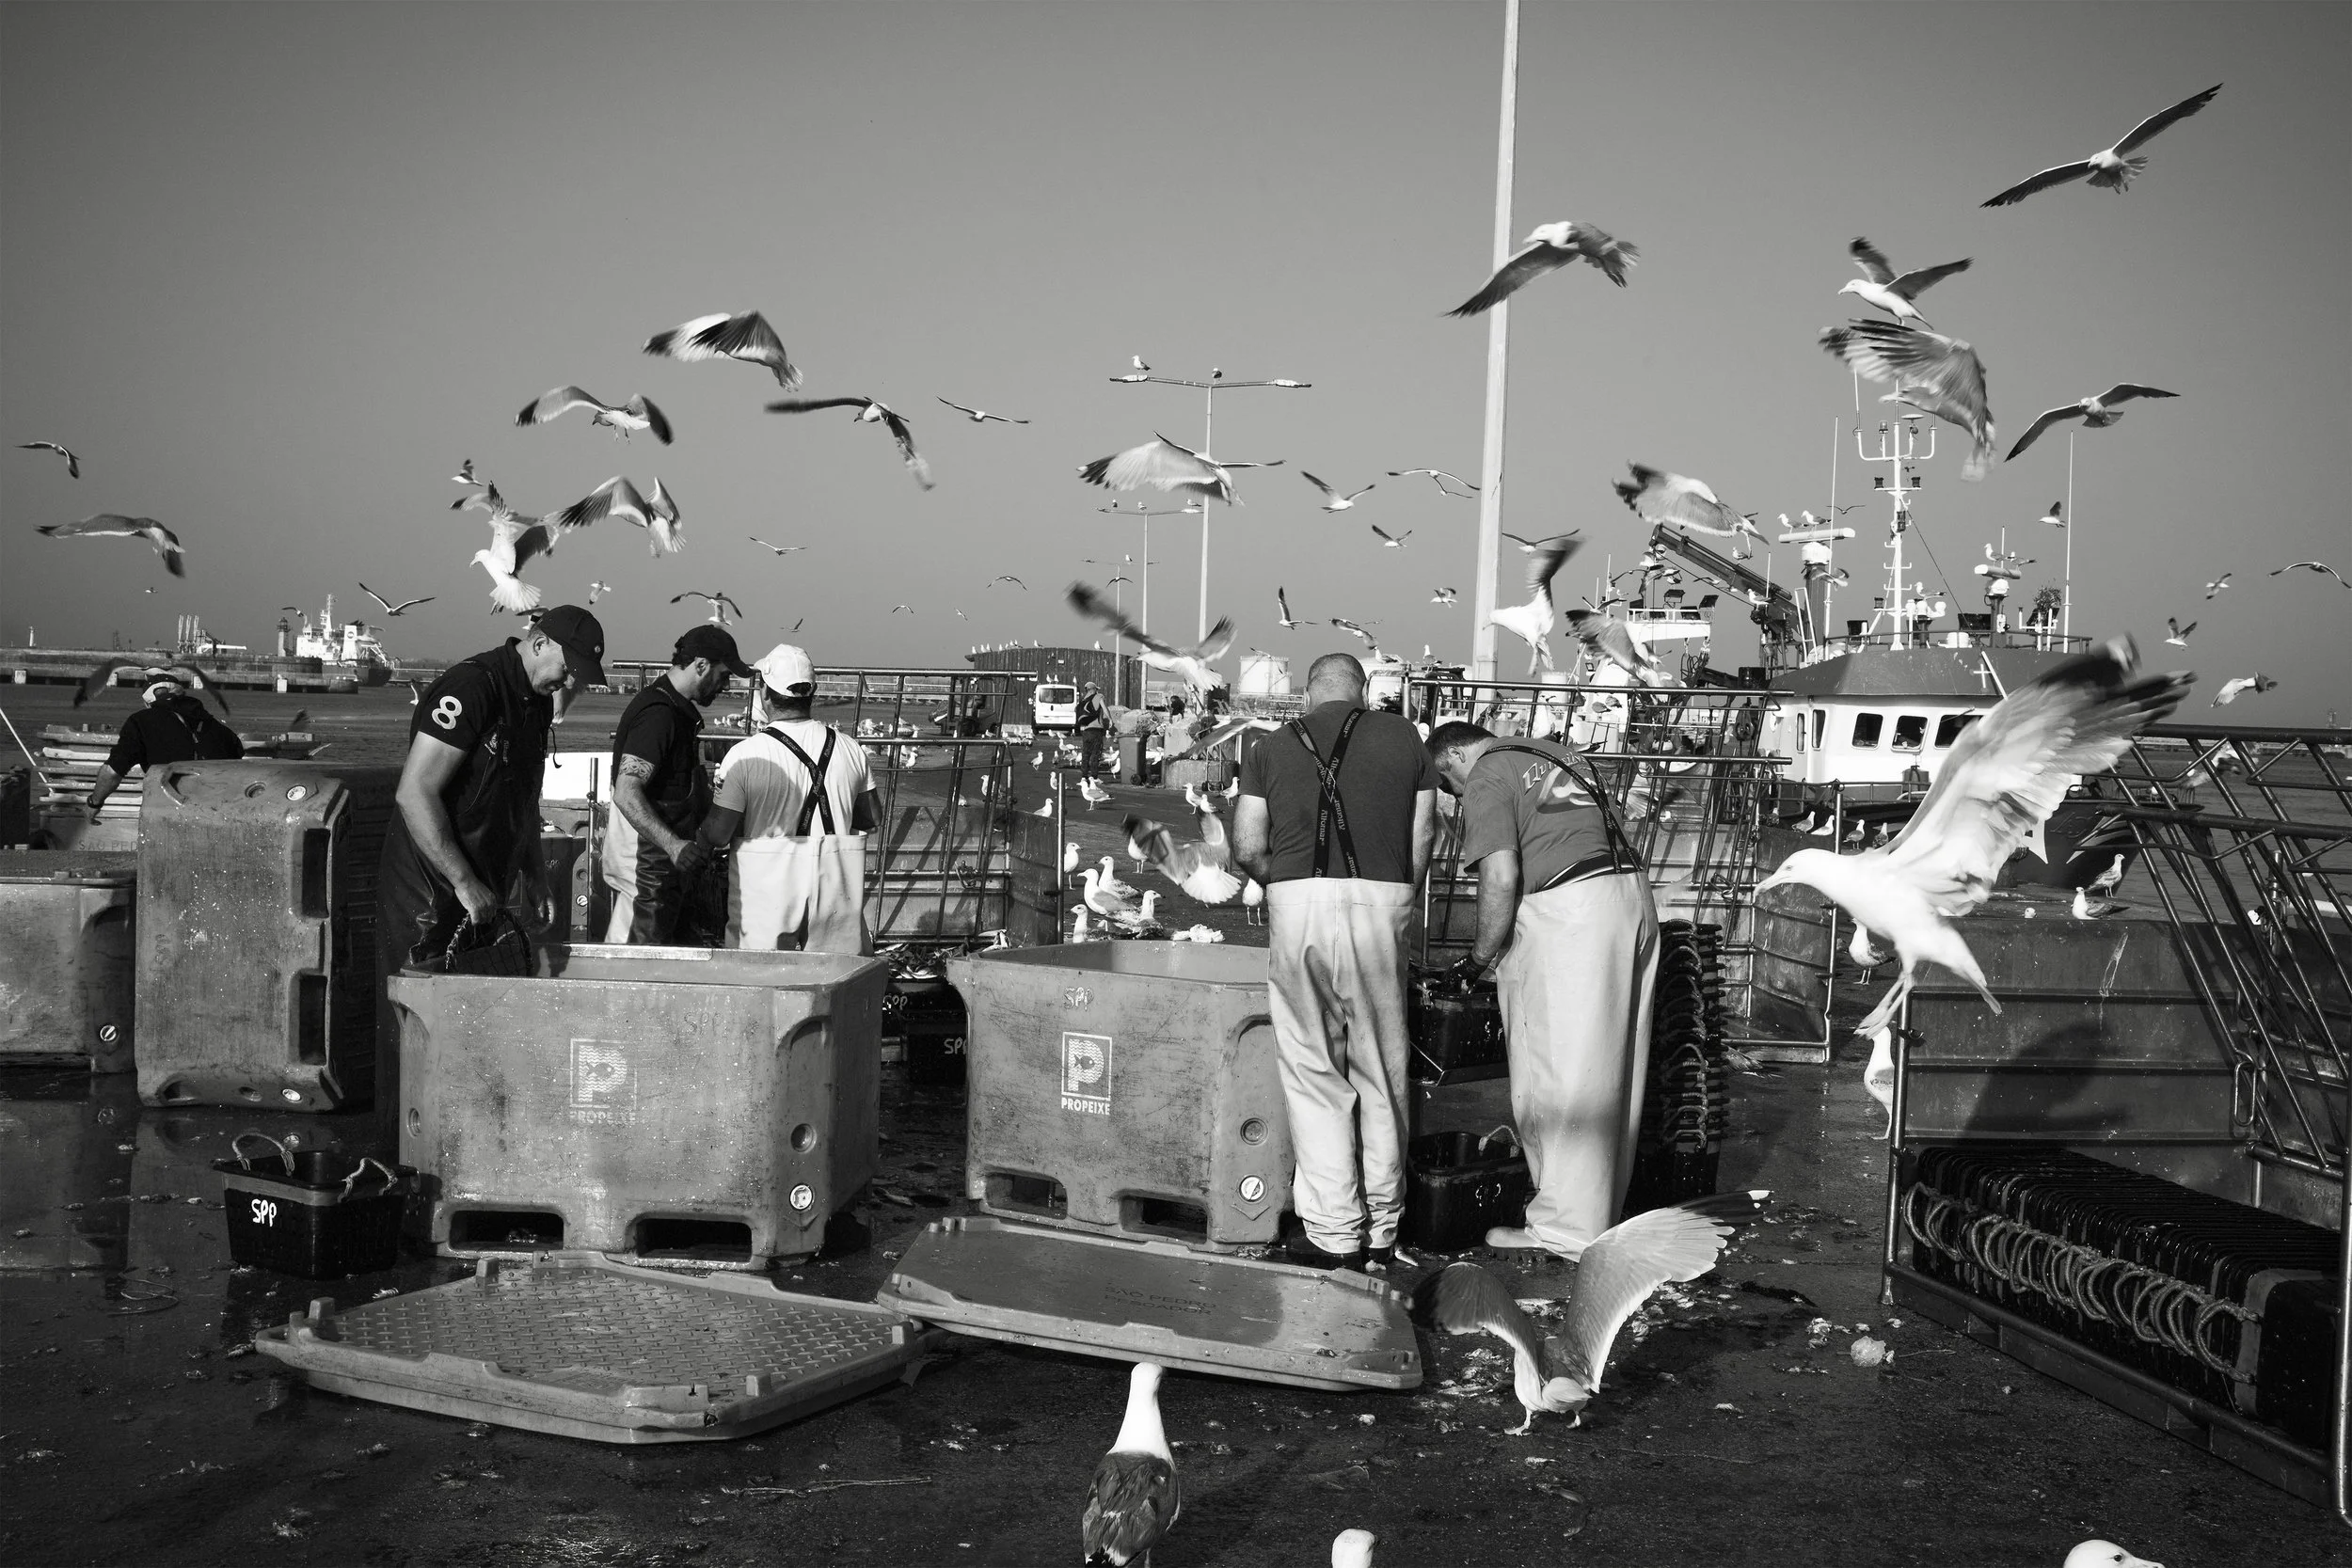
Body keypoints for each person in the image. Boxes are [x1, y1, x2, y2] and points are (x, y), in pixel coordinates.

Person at [1232, 653, 1438, 1272]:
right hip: (1384, 902)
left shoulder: (1269, 746)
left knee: (1315, 1070)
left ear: (1306, 693)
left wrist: (1289, 887)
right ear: (1364, 692)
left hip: (1298, 905)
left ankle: (1334, 1233)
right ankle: (1382, 1227)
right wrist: (1399, 895)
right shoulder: (1405, 737)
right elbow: (1424, 835)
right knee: (1381, 1068)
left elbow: (1246, 846)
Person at [1425, 720, 1657, 1259]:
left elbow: (1501, 877)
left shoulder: (1486, 772)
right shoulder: (1560, 753)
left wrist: (1478, 958)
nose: (1456, 797)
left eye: (1448, 787)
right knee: (1617, 1069)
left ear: (1453, 759)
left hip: (1572, 909)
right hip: (1633, 898)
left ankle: (1564, 1230)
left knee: (1564, 1070)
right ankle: (1597, 1214)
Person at [375, 607, 603, 1102]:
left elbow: (521, 795)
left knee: (471, 1029)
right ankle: (397, 1153)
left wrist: (535, 871)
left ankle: (456, 1144)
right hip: (429, 887)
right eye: (569, 667)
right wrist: (461, 880)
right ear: (538, 642)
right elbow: (415, 793)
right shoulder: (470, 688)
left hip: (485, 883)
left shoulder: (536, 703)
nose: (569, 680)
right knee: (415, 1029)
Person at [696, 644, 881, 954]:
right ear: (813, 692)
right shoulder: (850, 748)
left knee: (757, 977)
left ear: (765, 694)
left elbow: (719, 832)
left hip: (767, 890)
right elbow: (871, 818)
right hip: (834, 885)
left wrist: (696, 839)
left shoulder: (745, 755)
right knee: (834, 978)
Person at [601, 625, 753, 943]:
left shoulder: (677, 712)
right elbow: (626, 792)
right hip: (646, 870)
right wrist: (673, 845)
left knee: (661, 958)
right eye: (723, 676)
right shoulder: (659, 715)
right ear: (700, 665)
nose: (725, 686)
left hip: (662, 866)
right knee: (638, 962)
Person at [83, 668, 243, 815]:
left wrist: (94, 803)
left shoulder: (141, 722)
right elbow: (237, 754)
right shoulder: (212, 724)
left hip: (169, 810)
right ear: (182, 695)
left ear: (147, 703)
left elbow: (112, 772)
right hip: (218, 809)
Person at [1074, 679, 1109, 777]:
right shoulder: (1099, 697)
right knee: (1095, 754)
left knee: (1085, 754)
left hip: (1086, 731)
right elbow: (1105, 709)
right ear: (1093, 689)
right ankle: (1094, 777)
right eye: (1096, 689)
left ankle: (1084, 777)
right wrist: (1110, 719)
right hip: (1096, 730)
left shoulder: (1083, 700)